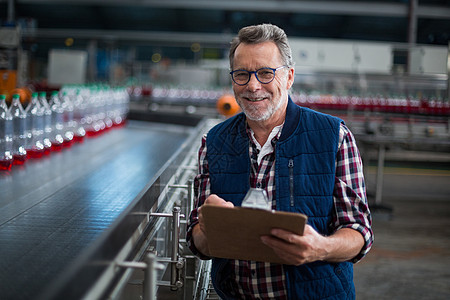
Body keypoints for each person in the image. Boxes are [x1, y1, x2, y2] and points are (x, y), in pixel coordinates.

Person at [187, 23, 373, 300]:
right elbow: (197, 241)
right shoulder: (214, 142)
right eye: (242, 74)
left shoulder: (333, 136)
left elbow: (359, 232)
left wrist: (320, 247)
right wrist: (211, 227)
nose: (252, 85)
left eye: (265, 73)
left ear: (288, 77)